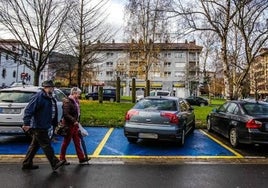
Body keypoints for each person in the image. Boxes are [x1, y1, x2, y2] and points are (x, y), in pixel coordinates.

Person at [22, 80, 65, 171]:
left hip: (45, 124)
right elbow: (29, 110)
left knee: (35, 145)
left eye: (52, 87)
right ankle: (55, 163)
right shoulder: (39, 97)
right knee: (46, 145)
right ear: (46, 87)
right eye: (50, 87)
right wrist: (26, 123)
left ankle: (27, 163)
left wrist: (55, 123)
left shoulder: (50, 97)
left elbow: (53, 111)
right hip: (39, 125)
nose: (52, 89)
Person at [59, 87, 90, 165]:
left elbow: (77, 113)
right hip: (69, 125)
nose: (79, 95)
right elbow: (66, 114)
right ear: (74, 93)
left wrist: (77, 122)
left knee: (77, 142)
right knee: (66, 142)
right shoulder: (68, 101)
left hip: (74, 125)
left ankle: (81, 158)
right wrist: (74, 121)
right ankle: (62, 159)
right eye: (78, 94)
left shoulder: (75, 101)